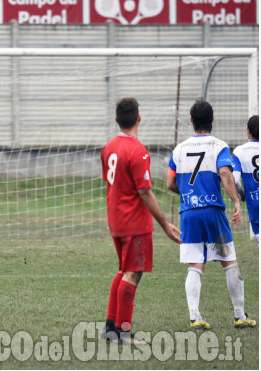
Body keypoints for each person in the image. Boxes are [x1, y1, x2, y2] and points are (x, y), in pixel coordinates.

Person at [167, 99, 256, 329]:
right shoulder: (219, 146)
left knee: (195, 265)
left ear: (191, 121)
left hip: (189, 213)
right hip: (213, 211)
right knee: (229, 262)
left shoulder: (179, 149)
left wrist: (187, 192)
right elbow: (225, 174)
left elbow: (169, 182)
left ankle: (195, 316)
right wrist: (236, 201)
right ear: (212, 120)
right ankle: (239, 315)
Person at [100, 98, 182, 345]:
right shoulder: (138, 151)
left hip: (116, 220)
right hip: (134, 223)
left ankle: (110, 327)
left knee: (124, 271)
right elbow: (145, 191)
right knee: (133, 274)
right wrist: (165, 224)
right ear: (139, 119)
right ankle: (123, 333)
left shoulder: (108, 148)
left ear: (116, 120)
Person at [232, 115, 259, 245]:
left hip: (254, 203)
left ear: (247, 130)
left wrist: (243, 195)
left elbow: (235, 180)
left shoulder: (239, 151)